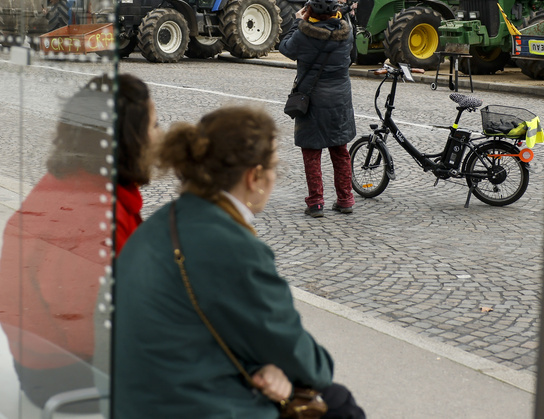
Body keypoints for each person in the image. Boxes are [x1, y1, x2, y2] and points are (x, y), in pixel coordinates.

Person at [112, 107, 364, 419]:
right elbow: (309, 363)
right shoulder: (232, 246)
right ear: (254, 177)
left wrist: (266, 365)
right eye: (274, 167)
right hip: (187, 404)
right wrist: (273, 368)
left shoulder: (168, 219)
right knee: (339, 406)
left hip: (138, 397)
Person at [0, 73, 158, 409]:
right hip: (68, 376)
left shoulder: (74, 186)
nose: (162, 136)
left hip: (49, 362)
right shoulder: (89, 214)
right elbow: (91, 333)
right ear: (129, 138)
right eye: (155, 125)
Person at [278, 0, 357, 218]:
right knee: (340, 150)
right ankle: (345, 199)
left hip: (312, 99)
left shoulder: (304, 34)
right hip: (339, 99)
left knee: (312, 152)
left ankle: (316, 203)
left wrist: (296, 22)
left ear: (310, 10)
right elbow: (351, 58)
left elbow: (285, 48)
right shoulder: (347, 33)